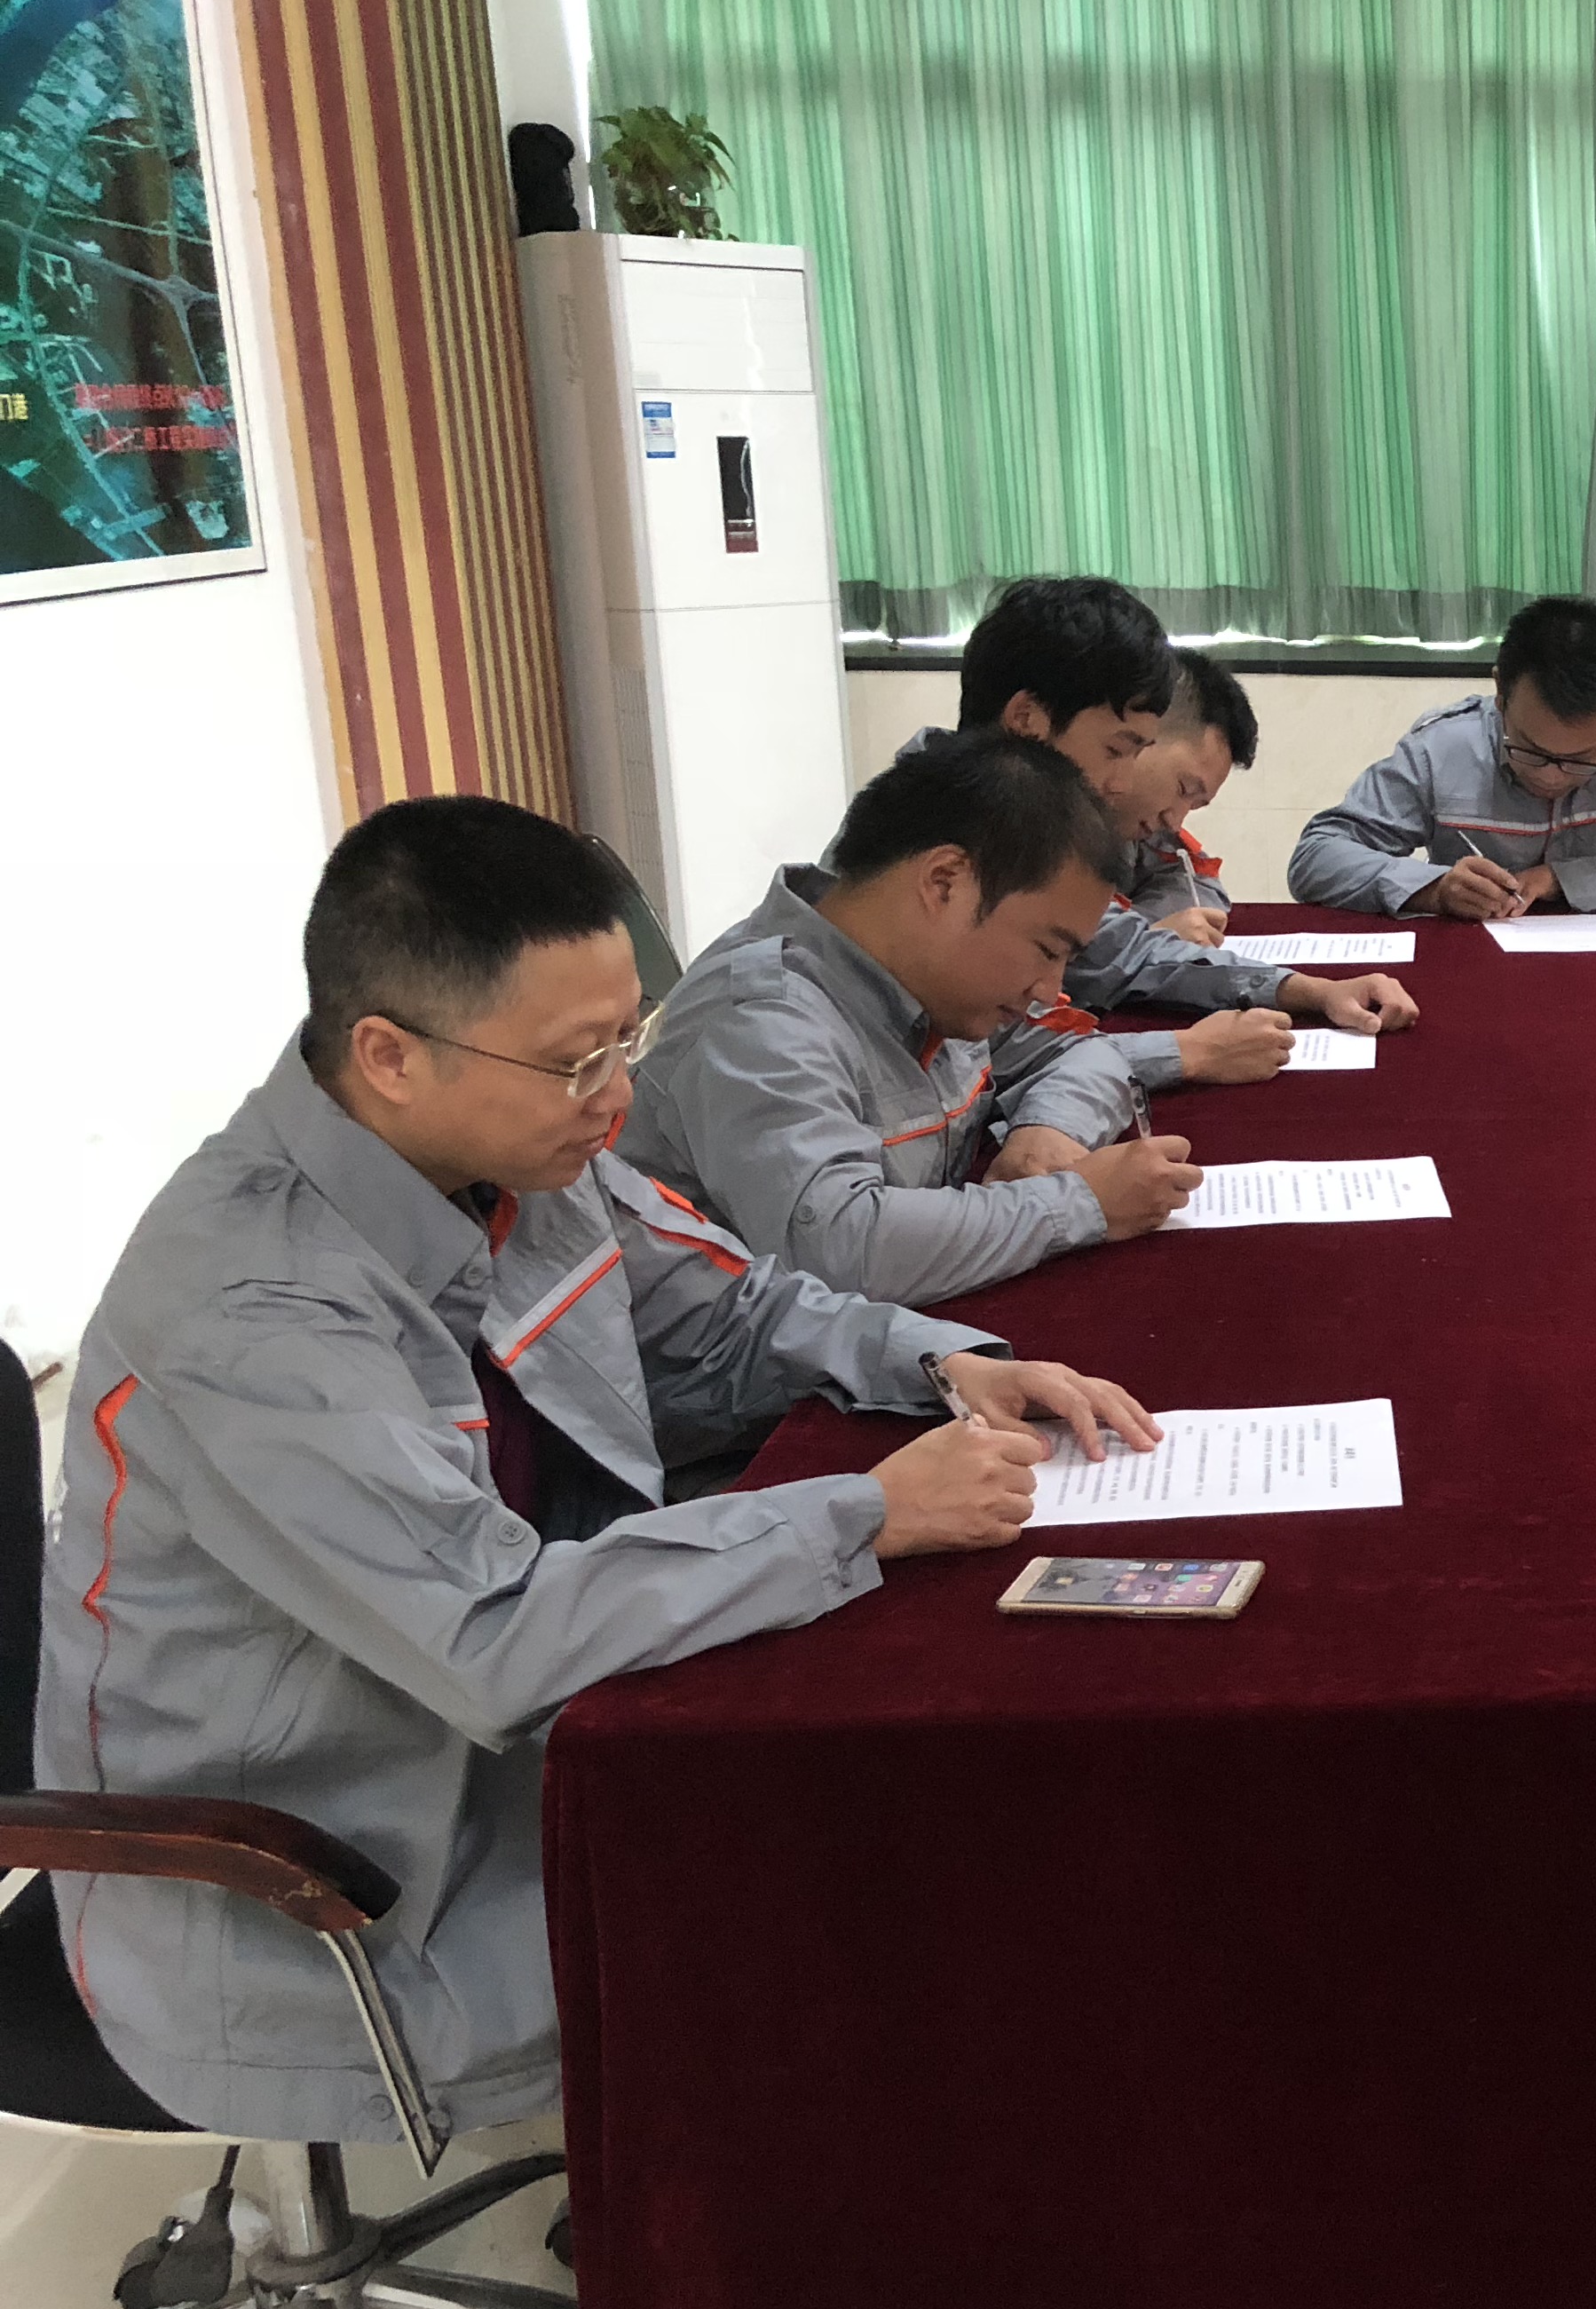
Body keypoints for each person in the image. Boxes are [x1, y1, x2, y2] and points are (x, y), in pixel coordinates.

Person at [31, 798, 1150, 2144]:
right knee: (881, 1860)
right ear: (389, 1055)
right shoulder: (254, 1309)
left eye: (629, 1038)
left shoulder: (511, 1149)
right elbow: (492, 1635)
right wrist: (868, 1513)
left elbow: (734, 1308)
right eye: (576, 1062)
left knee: (928, 1757)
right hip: (336, 1881)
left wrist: (939, 1361)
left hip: (517, 1720)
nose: (617, 1097)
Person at [621, 732, 1203, 1306]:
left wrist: (1048, 1131)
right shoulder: (760, 1020)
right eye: (1048, 950)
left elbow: (1084, 1050)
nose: (1048, 990)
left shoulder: (935, 982)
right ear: (944, 882)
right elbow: (844, 1249)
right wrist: (1079, 1203)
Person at [955, 576, 1415, 1087]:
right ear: (1026, 721)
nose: (1121, 782)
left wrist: (1309, 991)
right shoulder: (948, 843)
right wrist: (1186, 1053)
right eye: (1117, 750)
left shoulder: (1032, 827)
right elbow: (1002, 1064)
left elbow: (1125, 954)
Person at [1288, 595, 1596, 915]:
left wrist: (1563, 878)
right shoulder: (1443, 746)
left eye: (1582, 759)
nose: (1552, 777)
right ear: (1500, 693)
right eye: (1528, 750)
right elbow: (1316, 858)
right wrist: (1434, 889)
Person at [1113, 648, 1262, 944]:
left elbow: (1197, 881)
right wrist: (1146, 940)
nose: (1175, 822)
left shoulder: (1139, 828)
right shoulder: (1038, 808)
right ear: (1139, 734)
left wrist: (1151, 929)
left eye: (1195, 805)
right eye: (1184, 790)